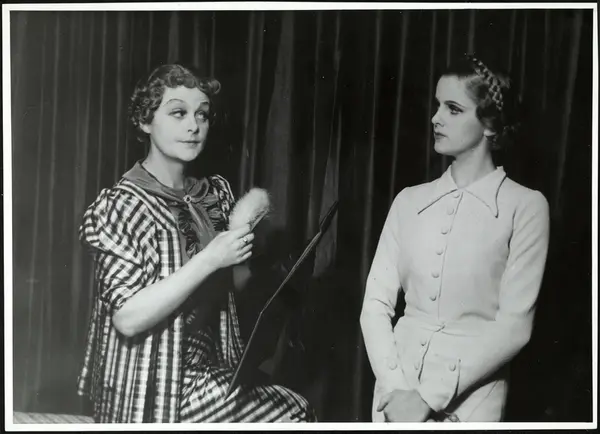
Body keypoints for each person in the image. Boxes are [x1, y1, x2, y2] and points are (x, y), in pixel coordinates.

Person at [77, 64, 316, 423]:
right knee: (294, 412)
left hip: (206, 367)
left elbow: (231, 291)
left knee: (291, 403)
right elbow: (126, 319)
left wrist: (257, 259)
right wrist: (210, 258)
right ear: (144, 122)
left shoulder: (213, 194)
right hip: (150, 384)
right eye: (178, 113)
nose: (194, 125)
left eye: (201, 114)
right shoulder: (122, 205)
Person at [360, 54, 550, 422]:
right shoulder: (408, 201)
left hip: (472, 402)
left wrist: (426, 398)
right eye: (437, 105)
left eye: (453, 109)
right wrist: (395, 388)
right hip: (394, 396)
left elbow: (515, 328)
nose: (436, 118)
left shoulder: (525, 207)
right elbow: (375, 305)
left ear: (490, 124)